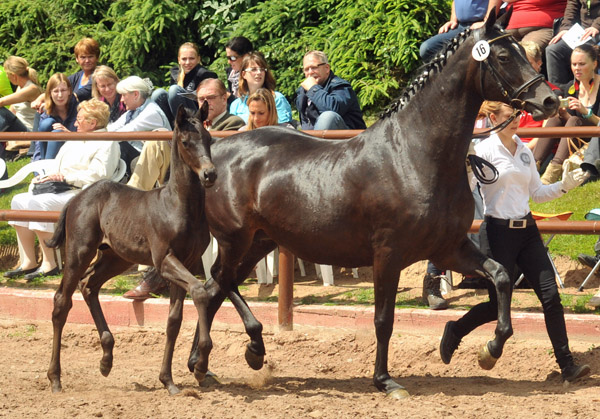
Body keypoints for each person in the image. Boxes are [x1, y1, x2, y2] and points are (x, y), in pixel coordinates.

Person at [439, 101, 590, 383]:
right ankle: (456, 330)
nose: (516, 121)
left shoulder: (523, 149)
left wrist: (566, 185)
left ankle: (567, 365)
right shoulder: (482, 151)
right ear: (493, 118)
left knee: (551, 298)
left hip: (528, 231)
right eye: (510, 117)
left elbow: (538, 192)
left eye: (518, 115)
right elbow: (465, 190)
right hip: (498, 232)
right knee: (497, 305)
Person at [122, 78, 245, 300]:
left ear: (225, 98)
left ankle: (155, 274)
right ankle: (130, 202)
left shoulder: (232, 122)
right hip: (182, 184)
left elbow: (228, 154)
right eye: (201, 99)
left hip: (213, 187)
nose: (205, 102)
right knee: (154, 142)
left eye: (211, 98)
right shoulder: (192, 122)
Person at [3, 99, 120, 282]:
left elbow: (99, 176)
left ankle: (50, 264)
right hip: (61, 191)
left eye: (79, 119)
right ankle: (28, 261)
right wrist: (46, 177)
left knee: (36, 203)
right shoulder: (75, 139)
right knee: (18, 200)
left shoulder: (107, 143)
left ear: (92, 123)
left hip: (85, 195)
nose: (74, 123)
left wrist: (66, 177)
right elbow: (56, 167)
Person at [534, 44, 600, 184]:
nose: (577, 68)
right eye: (574, 64)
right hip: (579, 137)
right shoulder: (570, 87)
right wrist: (563, 114)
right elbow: (571, 122)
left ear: (594, 64)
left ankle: (554, 170)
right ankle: (532, 166)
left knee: (575, 120)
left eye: (581, 64)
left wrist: (586, 113)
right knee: (555, 120)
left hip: (596, 139)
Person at [107, 75, 171, 174]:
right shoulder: (132, 111)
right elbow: (111, 129)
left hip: (161, 164)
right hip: (141, 157)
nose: (121, 100)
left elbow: (123, 134)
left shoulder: (152, 112)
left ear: (136, 94)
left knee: (119, 144)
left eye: (124, 95)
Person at [151, 42, 218, 126]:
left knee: (174, 90)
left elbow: (208, 102)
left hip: (197, 117)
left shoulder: (205, 74)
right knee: (158, 94)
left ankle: (185, 129)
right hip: (177, 117)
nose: (187, 62)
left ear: (198, 59)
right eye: (184, 59)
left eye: (191, 58)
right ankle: (167, 128)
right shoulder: (175, 74)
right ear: (179, 60)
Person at [296, 51, 366, 131]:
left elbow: (331, 109)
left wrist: (313, 89)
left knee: (328, 116)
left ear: (327, 68)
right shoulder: (303, 91)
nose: (310, 72)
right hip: (315, 140)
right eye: (306, 69)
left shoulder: (341, 86)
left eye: (314, 67)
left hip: (349, 140)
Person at [419, 0, 497, 62]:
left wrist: (487, 21)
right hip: (460, 26)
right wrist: (453, 20)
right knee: (427, 49)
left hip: (481, 27)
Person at [546, 0, 600, 85]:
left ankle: (589, 92)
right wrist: (566, 28)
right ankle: (558, 92)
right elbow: (572, 7)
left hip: (596, 30)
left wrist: (597, 26)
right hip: (583, 30)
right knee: (553, 50)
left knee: (585, 49)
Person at [229, 52, 292, 124]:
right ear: (243, 74)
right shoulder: (236, 105)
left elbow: (284, 129)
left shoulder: (277, 99)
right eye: (253, 69)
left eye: (262, 69)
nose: (259, 72)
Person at [35, 73, 79, 160]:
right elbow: (38, 147)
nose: (60, 95)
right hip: (49, 157)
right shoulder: (45, 113)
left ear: (69, 91)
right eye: (55, 91)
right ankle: (46, 169)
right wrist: (37, 171)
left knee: (57, 132)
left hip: (74, 155)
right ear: (50, 93)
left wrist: (67, 133)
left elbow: (85, 142)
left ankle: (48, 169)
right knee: (47, 123)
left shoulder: (80, 111)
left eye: (63, 90)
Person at [0, 56, 43, 132]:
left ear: (13, 76)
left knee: (2, 111)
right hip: (19, 128)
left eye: (7, 74)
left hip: (29, 130)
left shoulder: (31, 89)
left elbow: (2, 102)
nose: (6, 76)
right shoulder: (20, 87)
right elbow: (12, 111)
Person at [225, 36, 254, 103]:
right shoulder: (232, 73)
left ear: (246, 56)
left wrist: (229, 97)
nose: (229, 62)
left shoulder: (254, 74)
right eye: (228, 58)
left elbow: (245, 102)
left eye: (232, 58)